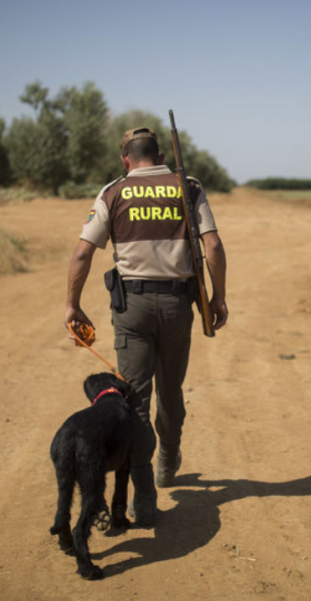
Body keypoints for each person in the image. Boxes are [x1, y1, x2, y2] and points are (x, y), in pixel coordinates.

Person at [65, 126, 228, 526]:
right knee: (170, 391)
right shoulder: (188, 186)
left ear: (126, 160)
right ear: (159, 156)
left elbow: (83, 253)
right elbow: (212, 245)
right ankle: (168, 458)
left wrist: (72, 305)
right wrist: (218, 297)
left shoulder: (113, 192)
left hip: (132, 309)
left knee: (135, 402)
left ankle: (144, 497)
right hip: (177, 306)